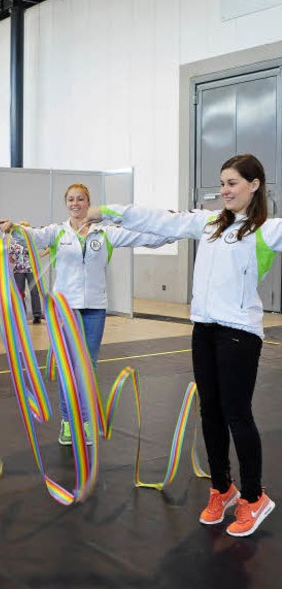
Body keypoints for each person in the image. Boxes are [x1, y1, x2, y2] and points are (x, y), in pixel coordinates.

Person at [82, 154, 277, 538]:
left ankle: (255, 498)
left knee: (237, 414)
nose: (225, 190)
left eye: (233, 182)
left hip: (239, 331)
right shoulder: (206, 223)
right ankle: (222, 488)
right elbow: (157, 219)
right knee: (210, 413)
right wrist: (107, 210)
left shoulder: (266, 231)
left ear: (254, 185)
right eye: (222, 182)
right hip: (203, 329)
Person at [0, 183, 171, 446]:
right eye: (71, 199)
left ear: (88, 202)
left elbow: (143, 238)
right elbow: (30, 236)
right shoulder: (57, 232)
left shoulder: (105, 233)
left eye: (80, 199)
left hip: (94, 309)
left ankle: (87, 421)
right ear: (66, 203)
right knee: (69, 369)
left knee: (87, 369)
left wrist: (172, 230)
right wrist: (13, 229)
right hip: (64, 311)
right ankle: (68, 422)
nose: (75, 203)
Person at [7, 221, 44, 324]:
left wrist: (39, 256)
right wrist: (15, 260)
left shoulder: (34, 239)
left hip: (32, 268)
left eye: (26, 227)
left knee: (34, 291)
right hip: (18, 269)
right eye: (22, 227)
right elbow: (10, 255)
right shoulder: (14, 240)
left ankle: (37, 315)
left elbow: (47, 248)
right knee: (20, 292)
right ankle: (21, 314)